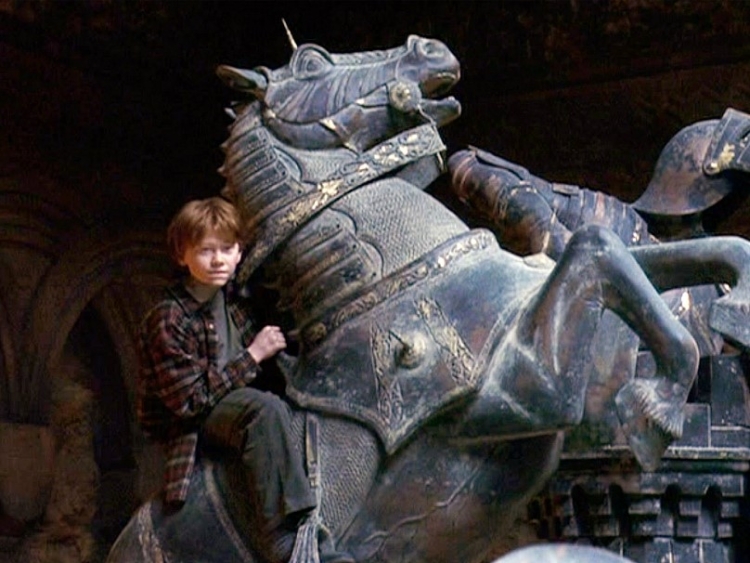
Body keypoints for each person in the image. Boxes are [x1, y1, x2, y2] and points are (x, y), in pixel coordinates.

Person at [136, 197, 350, 563]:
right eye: (206, 251)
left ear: (239, 253)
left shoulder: (237, 300)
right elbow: (189, 402)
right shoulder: (168, 318)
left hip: (239, 402)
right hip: (195, 425)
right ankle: (285, 541)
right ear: (181, 255)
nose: (218, 260)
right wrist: (253, 355)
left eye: (227, 249)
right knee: (261, 409)